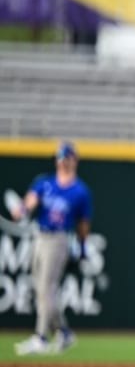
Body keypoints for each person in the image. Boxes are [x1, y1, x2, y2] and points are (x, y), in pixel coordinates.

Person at [12, 140, 91, 356]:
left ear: (75, 160)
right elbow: (29, 202)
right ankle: (63, 331)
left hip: (58, 239)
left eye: (67, 158)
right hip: (40, 236)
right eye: (60, 157)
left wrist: (82, 246)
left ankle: (41, 337)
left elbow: (83, 223)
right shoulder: (45, 183)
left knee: (47, 286)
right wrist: (21, 210)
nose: (63, 162)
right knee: (41, 288)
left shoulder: (80, 191)